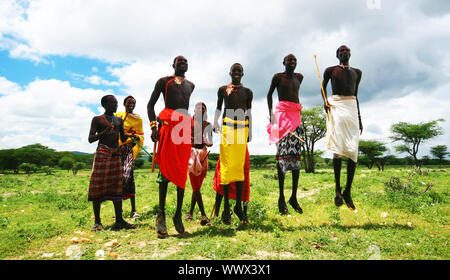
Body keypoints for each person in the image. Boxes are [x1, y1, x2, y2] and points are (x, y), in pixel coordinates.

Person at [147, 56, 194, 238]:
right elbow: (150, 105)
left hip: (183, 128)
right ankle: (161, 216)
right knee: (165, 172)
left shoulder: (191, 85)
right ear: (173, 65)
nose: (182, 63)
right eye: (179, 61)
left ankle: (178, 215)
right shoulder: (163, 82)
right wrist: (153, 127)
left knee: (182, 171)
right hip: (168, 126)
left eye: (185, 61)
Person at [321, 45, 362, 210]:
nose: (344, 52)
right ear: (337, 55)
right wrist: (325, 102)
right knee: (338, 148)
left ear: (350, 53)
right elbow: (323, 88)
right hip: (336, 106)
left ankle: (348, 191)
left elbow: (356, 95)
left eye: (347, 50)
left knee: (353, 151)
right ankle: (337, 189)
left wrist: (359, 118)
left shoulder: (357, 72)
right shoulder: (330, 70)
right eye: (341, 51)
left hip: (351, 108)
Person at [213, 63, 253, 225]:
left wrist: (250, 131)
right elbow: (218, 108)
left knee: (240, 168)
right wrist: (215, 122)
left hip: (242, 130)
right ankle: (226, 208)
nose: (236, 73)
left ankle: (238, 206)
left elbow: (249, 112)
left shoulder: (247, 92)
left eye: (239, 71)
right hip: (227, 129)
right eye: (234, 70)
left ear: (243, 73)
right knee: (227, 168)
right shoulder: (223, 89)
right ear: (230, 72)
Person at [88, 95, 134, 231]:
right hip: (103, 154)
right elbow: (90, 139)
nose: (115, 105)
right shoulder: (97, 120)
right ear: (104, 104)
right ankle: (97, 222)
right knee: (97, 185)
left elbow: (123, 137)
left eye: (116, 103)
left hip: (115, 155)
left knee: (117, 187)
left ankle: (119, 220)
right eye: (112, 103)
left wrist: (131, 136)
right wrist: (103, 132)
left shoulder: (119, 120)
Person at [266, 54, 304, 215]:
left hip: (295, 118)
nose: (292, 62)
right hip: (281, 117)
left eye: (294, 60)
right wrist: (272, 116)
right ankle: (281, 198)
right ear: (284, 62)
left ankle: (293, 197)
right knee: (282, 156)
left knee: (296, 156)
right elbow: (269, 95)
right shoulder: (278, 77)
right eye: (289, 60)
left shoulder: (299, 77)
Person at [115, 96, 144, 218]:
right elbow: (113, 133)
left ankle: (133, 210)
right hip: (117, 151)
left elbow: (141, 136)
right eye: (129, 102)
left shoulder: (138, 119)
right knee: (117, 181)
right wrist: (126, 134)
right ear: (124, 103)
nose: (131, 104)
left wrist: (135, 137)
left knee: (129, 178)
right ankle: (119, 212)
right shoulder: (117, 116)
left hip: (128, 151)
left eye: (133, 103)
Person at [186, 102, 213, 226]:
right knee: (195, 185)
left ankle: (190, 213)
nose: (200, 110)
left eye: (203, 109)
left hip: (203, 154)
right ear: (194, 110)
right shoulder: (188, 122)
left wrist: (205, 141)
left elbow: (210, 142)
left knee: (196, 186)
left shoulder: (207, 125)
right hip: (191, 154)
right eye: (198, 108)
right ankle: (203, 215)